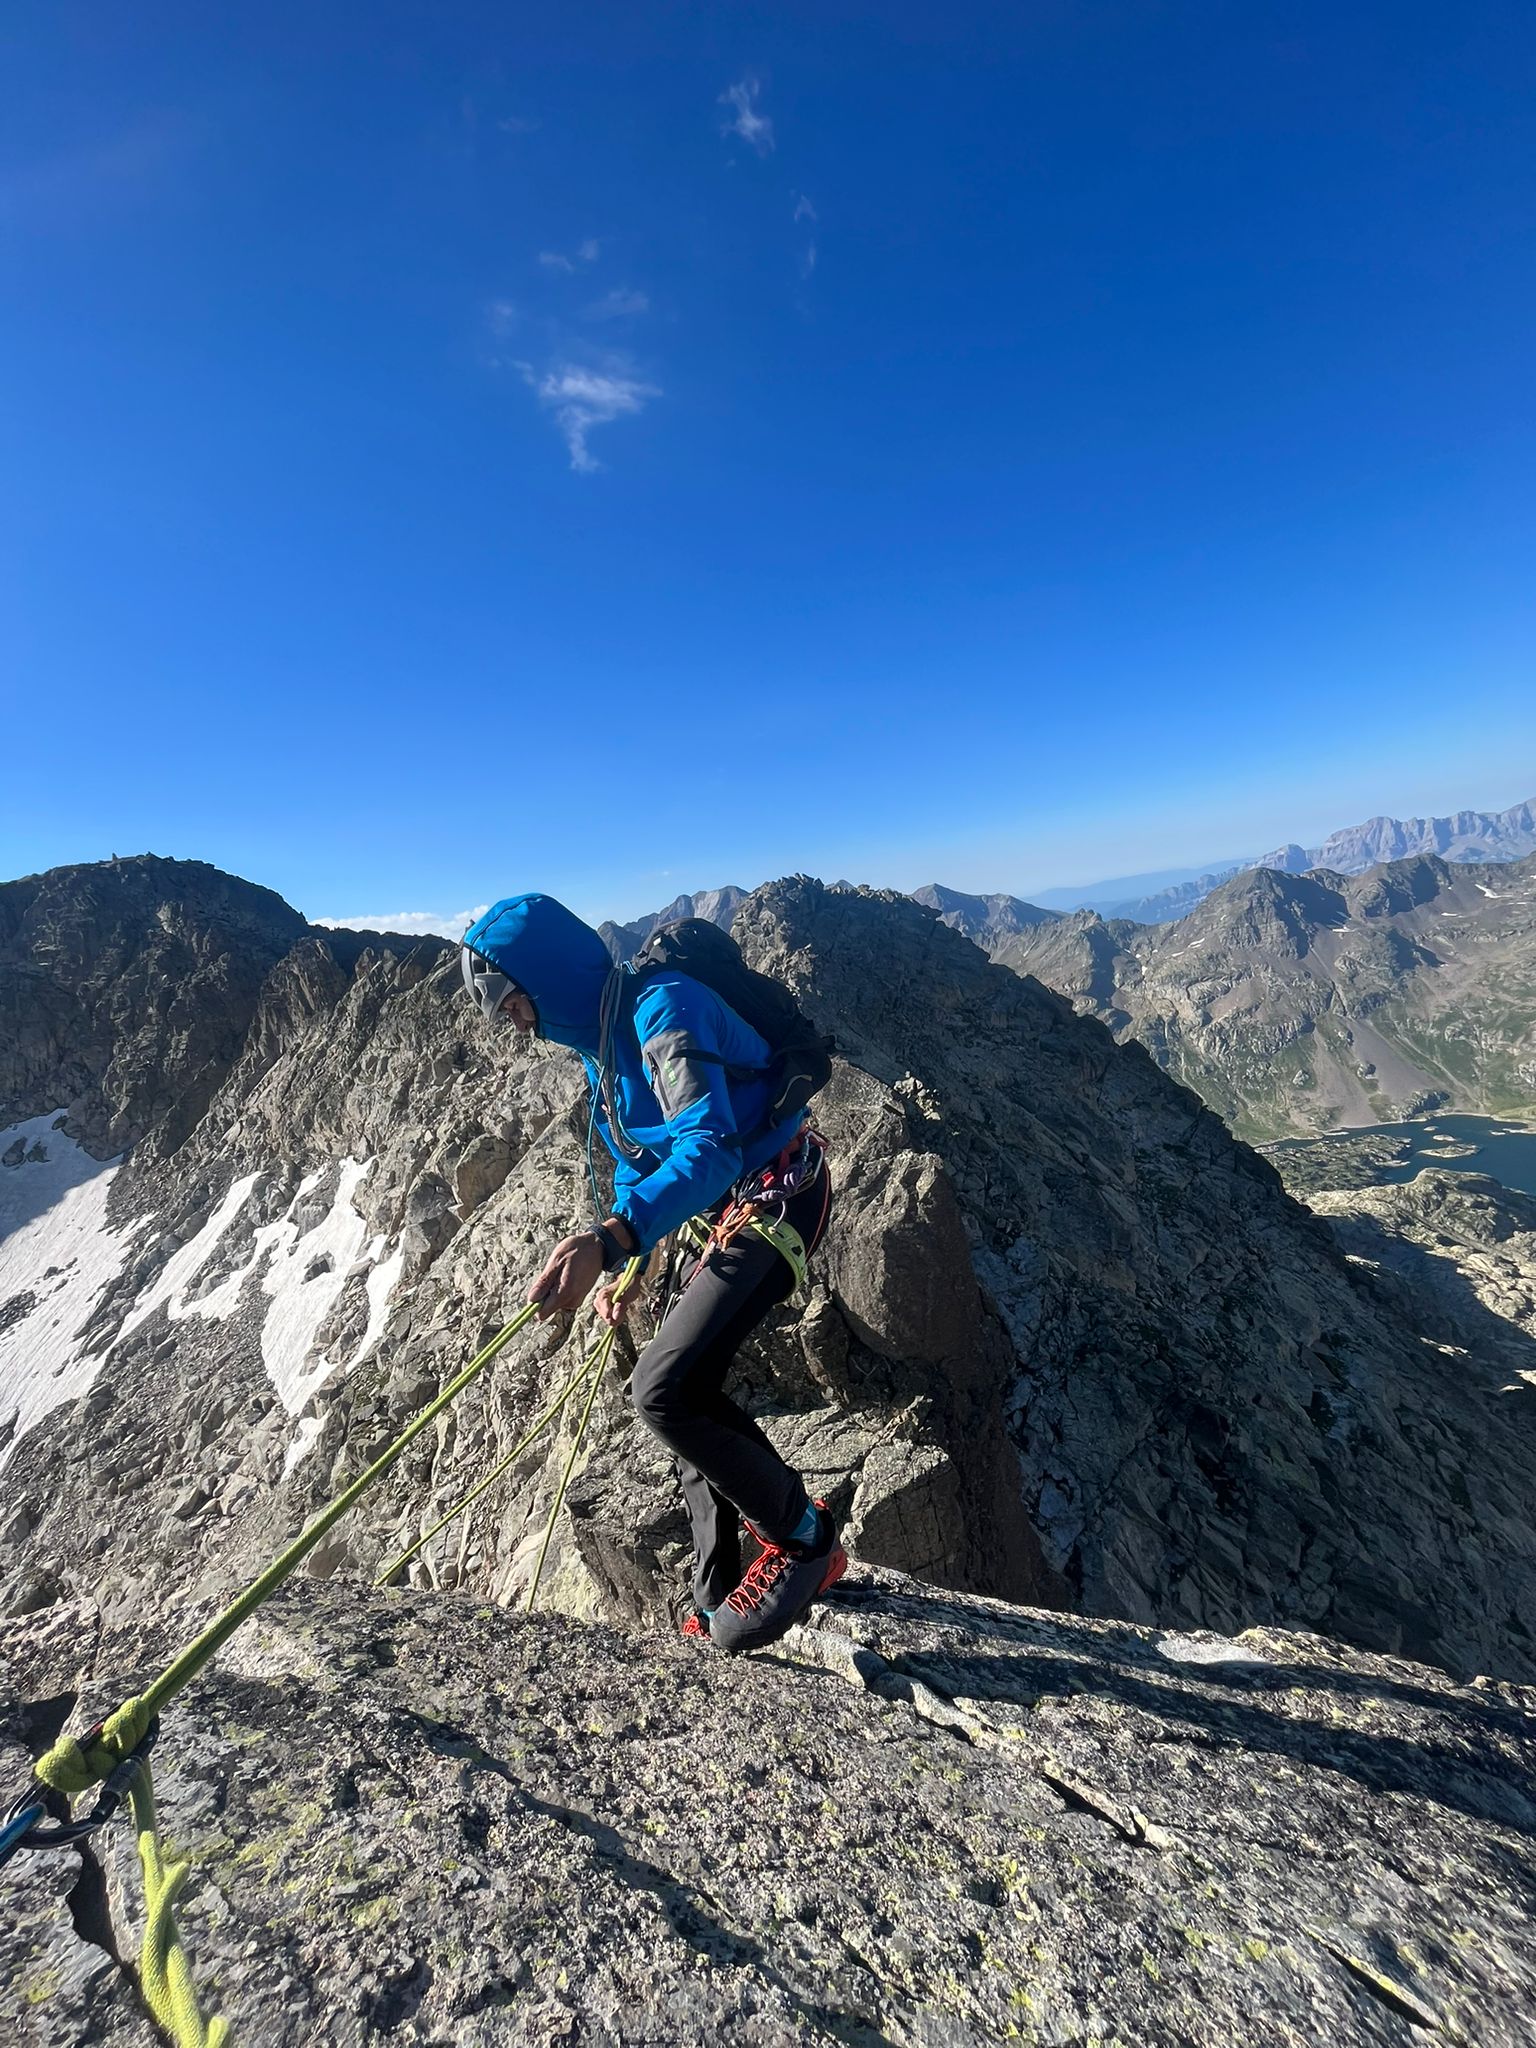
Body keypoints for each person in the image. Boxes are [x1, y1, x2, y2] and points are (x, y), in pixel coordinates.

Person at [459, 892, 844, 1652]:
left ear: (543, 978)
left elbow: (710, 1148)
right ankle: (718, 1592)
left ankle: (805, 1539)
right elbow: (650, 1167)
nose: (515, 1024)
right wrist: (628, 1264)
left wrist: (613, 1238)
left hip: (782, 1196)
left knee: (663, 1390)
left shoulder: (661, 1012)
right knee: (683, 1396)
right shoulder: (604, 1050)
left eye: (511, 1003)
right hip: (735, 1206)